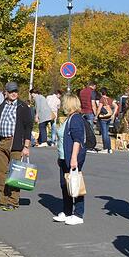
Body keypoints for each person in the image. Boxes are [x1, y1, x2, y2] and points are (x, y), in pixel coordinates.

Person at [0, 81, 33, 211]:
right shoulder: (2, 105)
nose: (14, 93)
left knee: (15, 173)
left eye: (15, 91)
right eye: (11, 92)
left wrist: (26, 146)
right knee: (0, 172)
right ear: (6, 93)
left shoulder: (23, 107)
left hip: (16, 143)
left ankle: (13, 201)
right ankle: (2, 200)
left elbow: (28, 128)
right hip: (2, 142)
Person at [55, 94, 87, 225]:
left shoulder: (75, 119)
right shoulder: (69, 118)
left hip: (72, 157)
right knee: (65, 185)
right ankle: (67, 211)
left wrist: (74, 157)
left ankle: (78, 214)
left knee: (75, 184)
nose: (61, 106)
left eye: (63, 103)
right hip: (64, 157)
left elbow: (77, 140)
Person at [78, 82, 100, 150]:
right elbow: (93, 104)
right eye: (95, 87)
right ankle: (91, 144)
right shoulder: (92, 92)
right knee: (91, 129)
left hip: (82, 112)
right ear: (93, 86)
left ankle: (83, 143)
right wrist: (96, 115)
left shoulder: (81, 91)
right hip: (90, 112)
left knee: (83, 129)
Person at [97, 87, 116, 153]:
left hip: (103, 118)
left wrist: (96, 116)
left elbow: (99, 108)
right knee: (106, 133)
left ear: (101, 92)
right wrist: (113, 114)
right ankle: (109, 148)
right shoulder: (110, 99)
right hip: (108, 118)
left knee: (104, 133)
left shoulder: (102, 99)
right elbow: (116, 106)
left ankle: (105, 148)